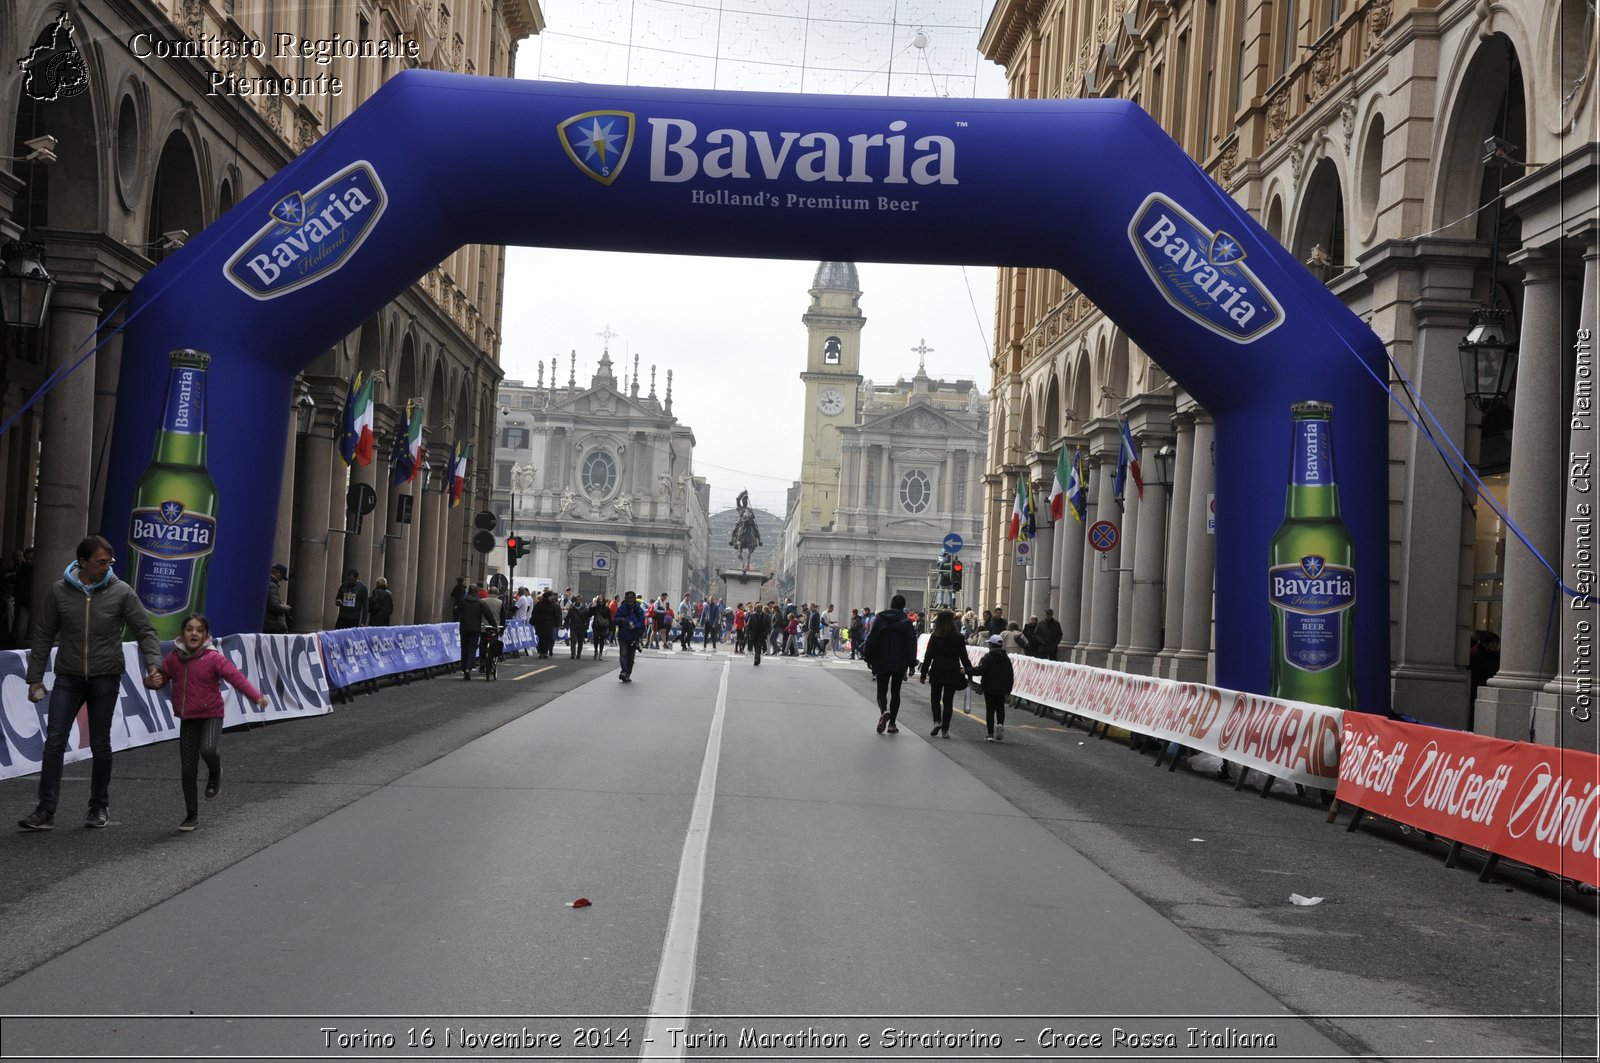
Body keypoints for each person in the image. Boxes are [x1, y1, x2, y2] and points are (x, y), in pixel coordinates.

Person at [19, 535, 165, 831]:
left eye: (109, 562)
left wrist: (153, 664)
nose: (106, 567)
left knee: (100, 744)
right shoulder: (59, 592)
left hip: (105, 677)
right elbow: (44, 635)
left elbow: (145, 631)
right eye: (100, 562)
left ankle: (98, 807)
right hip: (68, 677)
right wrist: (34, 678)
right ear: (82, 562)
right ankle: (45, 810)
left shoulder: (122, 592)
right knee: (54, 742)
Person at [161, 613, 268, 831]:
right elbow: (160, 679)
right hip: (188, 718)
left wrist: (256, 696)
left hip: (211, 714)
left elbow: (235, 678)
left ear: (206, 635)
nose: (194, 633)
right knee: (188, 770)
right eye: (190, 629)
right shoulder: (173, 658)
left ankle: (215, 771)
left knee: (208, 749)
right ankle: (191, 815)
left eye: (199, 630)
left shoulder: (213, 658)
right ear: (182, 634)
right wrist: (150, 679)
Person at [860, 594, 917, 735]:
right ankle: (892, 724)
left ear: (891, 604)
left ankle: (884, 711)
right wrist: (911, 663)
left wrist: (868, 657)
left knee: (881, 690)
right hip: (900, 660)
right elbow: (911, 643)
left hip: (881, 659)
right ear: (903, 606)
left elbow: (872, 638)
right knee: (896, 692)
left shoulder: (880, 619)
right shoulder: (906, 622)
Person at [920, 609, 970, 738]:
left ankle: (937, 721)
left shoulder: (935, 636)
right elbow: (964, 657)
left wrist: (923, 672)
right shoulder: (959, 637)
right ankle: (945, 730)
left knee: (935, 699)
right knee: (948, 701)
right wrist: (969, 671)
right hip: (952, 669)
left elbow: (928, 656)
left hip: (937, 669)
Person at [969, 633, 1015, 741]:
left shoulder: (988, 657)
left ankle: (990, 734)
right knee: (1000, 708)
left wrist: (967, 670)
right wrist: (1009, 688)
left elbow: (980, 670)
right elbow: (1010, 674)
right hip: (1002, 688)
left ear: (991, 645)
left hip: (989, 687)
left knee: (990, 710)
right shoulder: (1006, 659)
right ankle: (1000, 724)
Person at [614, 590, 647, 682]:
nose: (630, 600)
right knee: (623, 654)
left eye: (631, 598)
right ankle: (624, 672)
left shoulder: (638, 609)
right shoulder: (622, 608)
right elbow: (615, 619)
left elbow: (642, 621)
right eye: (628, 598)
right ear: (625, 599)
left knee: (631, 658)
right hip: (623, 635)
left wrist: (636, 626)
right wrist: (621, 619)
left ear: (634, 599)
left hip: (634, 636)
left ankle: (628, 673)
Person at [457, 584, 486, 680]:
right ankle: (469, 668)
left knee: (464, 648)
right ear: (477, 592)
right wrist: (494, 624)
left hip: (464, 628)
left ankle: (464, 667)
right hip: (475, 629)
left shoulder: (462, 601)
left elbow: (458, 610)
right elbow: (488, 614)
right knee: (472, 649)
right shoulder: (480, 603)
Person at [532, 589, 561, 658]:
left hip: (549, 625)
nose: (552, 598)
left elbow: (555, 615)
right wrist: (536, 622)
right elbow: (534, 614)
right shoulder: (539, 604)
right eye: (550, 596)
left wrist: (557, 624)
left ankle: (545, 652)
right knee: (541, 639)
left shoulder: (553, 605)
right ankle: (541, 652)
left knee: (548, 639)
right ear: (547, 597)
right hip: (540, 625)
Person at [263, 563, 292, 633]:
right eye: (282, 577)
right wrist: (287, 607)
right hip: (272, 626)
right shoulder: (272, 585)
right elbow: (274, 606)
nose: (281, 580)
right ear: (279, 573)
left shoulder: (265, 582)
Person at [744, 601, 773, 666]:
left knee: (758, 647)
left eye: (759, 608)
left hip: (762, 634)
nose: (758, 609)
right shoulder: (752, 616)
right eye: (757, 608)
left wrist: (766, 633)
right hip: (754, 634)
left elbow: (769, 626)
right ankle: (758, 659)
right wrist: (746, 632)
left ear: (761, 608)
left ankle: (756, 660)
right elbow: (749, 625)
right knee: (755, 647)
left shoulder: (766, 616)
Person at [589, 595, 612, 659]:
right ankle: (596, 651)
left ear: (604, 600)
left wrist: (610, 627)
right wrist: (591, 607)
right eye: (599, 599)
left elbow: (609, 618)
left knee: (602, 640)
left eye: (601, 599)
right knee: (596, 639)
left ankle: (600, 653)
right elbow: (589, 614)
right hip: (596, 625)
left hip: (603, 626)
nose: (600, 600)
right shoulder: (595, 607)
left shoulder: (607, 609)